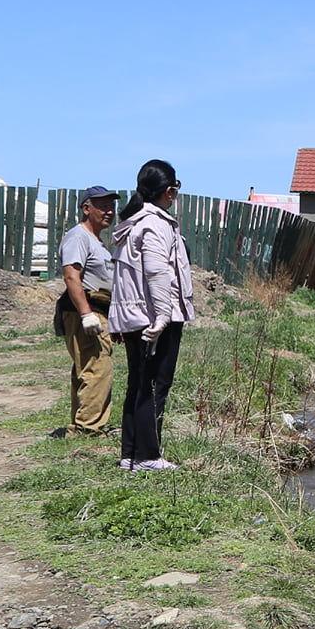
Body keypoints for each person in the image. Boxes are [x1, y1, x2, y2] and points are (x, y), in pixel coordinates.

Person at [109, 160, 195, 471]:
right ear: (168, 190)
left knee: (138, 383)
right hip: (156, 317)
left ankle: (130, 454)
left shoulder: (134, 222)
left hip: (134, 316)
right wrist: (161, 319)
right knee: (156, 385)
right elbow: (158, 274)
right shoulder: (156, 224)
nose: (175, 193)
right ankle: (148, 456)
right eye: (175, 187)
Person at [54, 185, 119, 437]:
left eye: (111, 206)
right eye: (102, 205)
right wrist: (85, 314)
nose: (109, 211)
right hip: (86, 309)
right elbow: (71, 276)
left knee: (87, 367)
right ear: (86, 208)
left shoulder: (96, 241)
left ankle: (82, 423)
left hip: (98, 310)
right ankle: (88, 428)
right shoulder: (78, 237)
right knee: (97, 368)